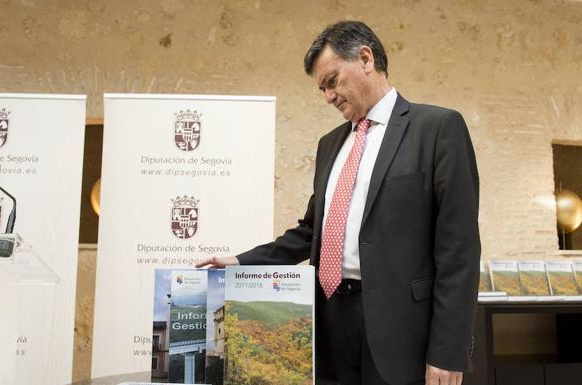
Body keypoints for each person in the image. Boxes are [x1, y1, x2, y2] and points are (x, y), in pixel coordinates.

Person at [197, 20, 480, 385]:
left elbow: (459, 250)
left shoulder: (438, 129)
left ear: (365, 58)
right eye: (322, 89)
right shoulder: (330, 144)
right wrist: (239, 260)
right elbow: (311, 231)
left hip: (401, 333)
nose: (328, 96)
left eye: (332, 81)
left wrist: (448, 350)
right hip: (328, 323)